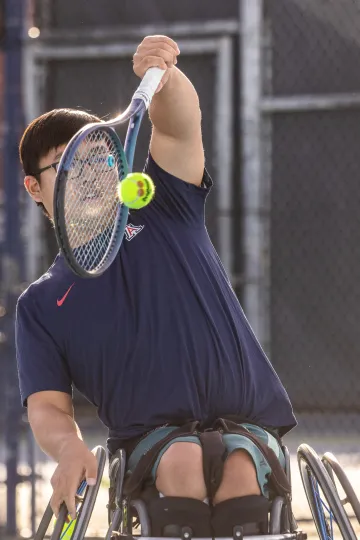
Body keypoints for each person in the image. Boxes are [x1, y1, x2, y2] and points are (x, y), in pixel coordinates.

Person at [16, 35, 296, 536]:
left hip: (251, 429)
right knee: (183, 462)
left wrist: (164, 78)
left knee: (237, 470)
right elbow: (48, 408)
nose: (87, 174)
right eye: (65, 165)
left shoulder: (166, 207)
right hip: (151, 450)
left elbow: (180, 128)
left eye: (98, 158)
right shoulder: (41, 304)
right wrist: (69, 448)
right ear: (35, 188)